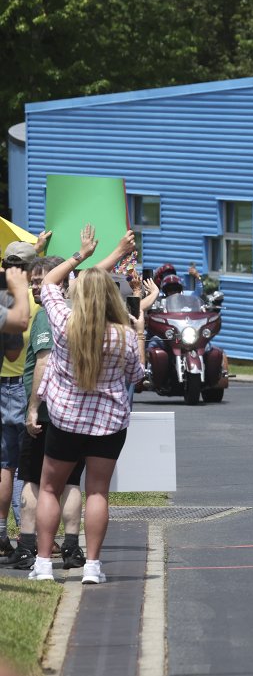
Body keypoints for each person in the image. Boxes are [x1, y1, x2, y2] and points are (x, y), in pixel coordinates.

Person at [28, 226, 145, 583]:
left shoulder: (63, 322)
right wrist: (139, 334)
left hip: (65, 419)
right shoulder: (123, 334)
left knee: (50, 488)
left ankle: (44, 564)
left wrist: (82, 255)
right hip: (108, 423)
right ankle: (92, 566)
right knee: (97, 491)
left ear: (78, 293)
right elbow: (137, 375)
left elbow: (49, 281)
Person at [4, 257, 84, 571]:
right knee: (72, 482)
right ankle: (72, 548)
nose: (36, 285)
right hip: (73, 413)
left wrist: (33, 408)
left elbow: (43, 362)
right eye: (34, 280)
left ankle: (26, 545)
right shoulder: (81, 314)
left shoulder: (48, 315)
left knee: (34, 481)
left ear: (59, 282)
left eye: (41, 279)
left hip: (47, 414)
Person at [0, 241, 36, 557]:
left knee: (4, 466)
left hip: (2, 384)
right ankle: (27, 539)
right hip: (24, 388)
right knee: (24, 468)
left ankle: (2, 535)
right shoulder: (32, 301)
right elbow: (15, 348)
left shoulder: (2, 300)